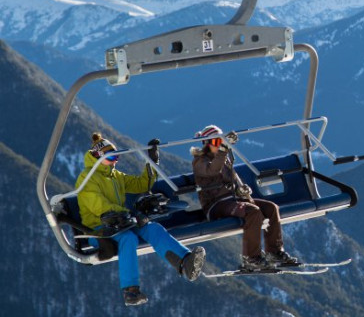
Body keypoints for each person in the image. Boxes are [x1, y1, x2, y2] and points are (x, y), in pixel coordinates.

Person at [75, 133, 206, 306]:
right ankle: (131, 291)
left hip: (122, 222)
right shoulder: (87, 179)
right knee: (128, 239)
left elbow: (142, 184)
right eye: (112, 157)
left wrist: (151, 162)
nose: (116, 161)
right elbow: (100, 206)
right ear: (99, 157)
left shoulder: (115, 176)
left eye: (117, 157)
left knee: (153, 228)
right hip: (99, 228)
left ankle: (185, 263)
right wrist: (131, 215)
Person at [190, 124, 298, 270]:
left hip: (233, 200)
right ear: (206, 144)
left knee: (271, 208)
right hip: (216, 205)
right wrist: (223, 150)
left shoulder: (224, 158)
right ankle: (251, 258)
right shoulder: (199, 161)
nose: (219, 145)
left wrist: (241, 189)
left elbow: (233, 177)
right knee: (252, 212)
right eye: (216, 142)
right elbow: (213, 170)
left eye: (221, 141)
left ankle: (275, 252)